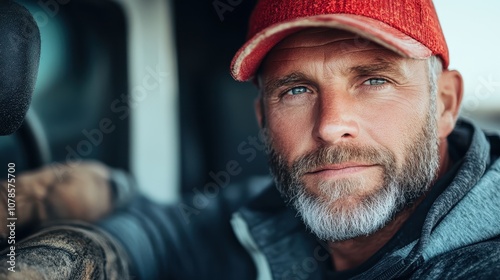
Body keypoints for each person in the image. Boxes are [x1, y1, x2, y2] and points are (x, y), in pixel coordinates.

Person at [2, 0, 500, 279]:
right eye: (297, 89)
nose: (330, 125)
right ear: (263, 119)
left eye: (374, 81)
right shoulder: (272, 214)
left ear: (445, 105)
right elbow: (166, 234)